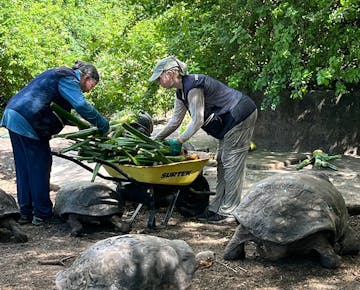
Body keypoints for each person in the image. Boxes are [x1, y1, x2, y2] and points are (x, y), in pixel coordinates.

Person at [149, 56, 257, 224]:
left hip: (239, 115)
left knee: (231, 162)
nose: (158, 82)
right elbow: (175, 121)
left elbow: (197, 120)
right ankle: (216, 208)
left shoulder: (193, 86)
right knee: (222, 161)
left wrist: (179, 141)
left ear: (170, 73)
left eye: (159, 77)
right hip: (228, 122)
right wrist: (155, 139)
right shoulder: (181, 92)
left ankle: (229, 212)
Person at [0, 61, 110, 226]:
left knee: (24, 167)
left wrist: (83, 124)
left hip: (14, 114)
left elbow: (61, 111)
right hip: (29, 120)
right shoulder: (69, 78)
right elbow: (81, 105)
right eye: (90, 86)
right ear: (86, 76)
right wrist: (102, 124)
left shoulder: (56, 74)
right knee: (39, 166)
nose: (87, 90)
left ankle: (25, 213)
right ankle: (42, 214)